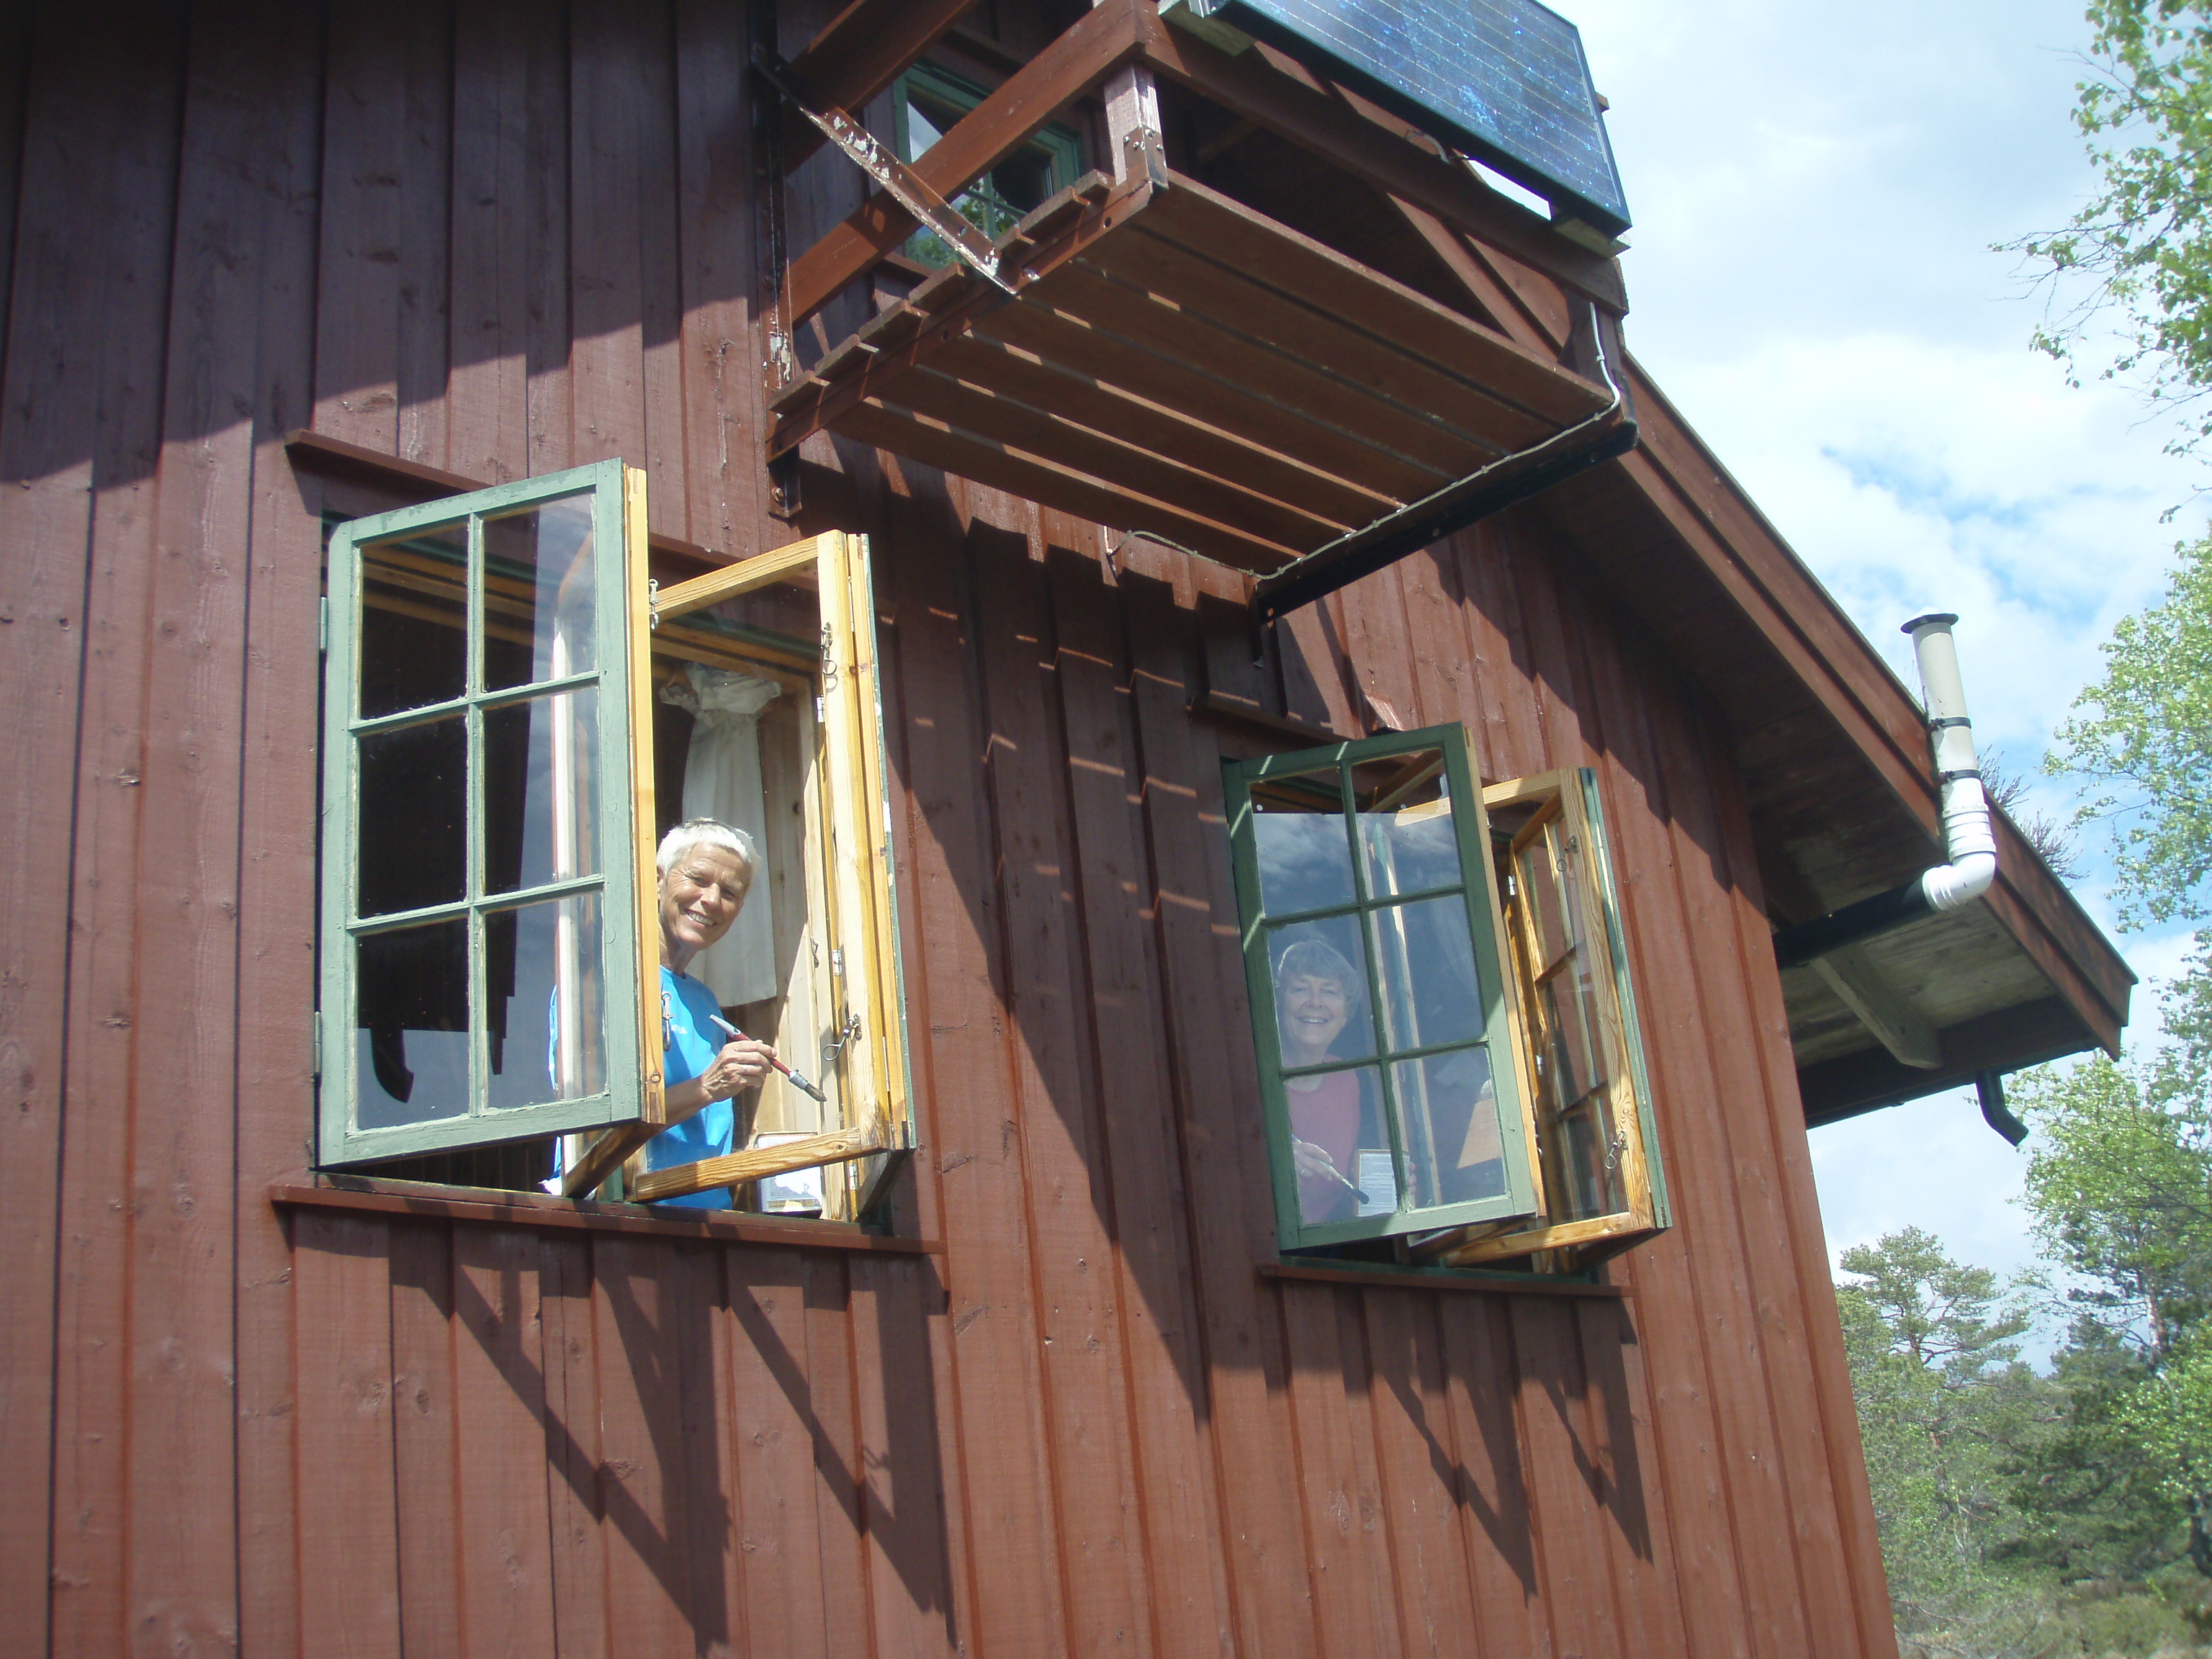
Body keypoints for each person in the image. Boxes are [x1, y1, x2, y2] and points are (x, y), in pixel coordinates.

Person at [643, 817, 780, 1207]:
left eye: (729, 892)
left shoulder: (705, 1003)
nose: (712, 900)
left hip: (706, 1222)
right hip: (628, 1220)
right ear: (658, 880)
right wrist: (707, 1086)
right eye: (698, 879)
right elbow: (598, 1129)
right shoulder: (608, 984)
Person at [1274, 937, 1375, 1225]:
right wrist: (1272, 1162)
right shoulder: (1250, 1074)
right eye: (1300, 989)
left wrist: (1391, 1183)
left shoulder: (1350, 1078)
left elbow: (1351, 1179)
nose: (1315, 1003)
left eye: (1329, 992)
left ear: (1347, 1014)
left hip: (1334, 1237)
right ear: (1278, 1002)